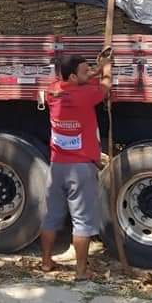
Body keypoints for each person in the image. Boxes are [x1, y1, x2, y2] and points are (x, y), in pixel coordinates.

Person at [40, 51, 111, 280]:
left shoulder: (52, 91)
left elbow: (79, 81)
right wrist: (106, 69)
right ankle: (81, 271)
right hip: (80, 167)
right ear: (72, 77)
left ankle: (46, 262)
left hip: (57, 165)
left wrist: (93, 70)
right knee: (82, 221)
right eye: (84, 71)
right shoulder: (87, 95)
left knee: (51, 217)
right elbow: (106, 87)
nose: (89, 74)